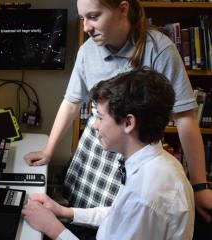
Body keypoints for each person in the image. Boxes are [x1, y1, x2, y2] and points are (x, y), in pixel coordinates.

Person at [24, 0, 212, 222]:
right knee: (83, 218)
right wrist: (48, 150)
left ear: (122, 9)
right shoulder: (87, 51)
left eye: (94, 17)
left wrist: (199, 186)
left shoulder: (160, 49)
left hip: (136, 151)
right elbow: (71, 103)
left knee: (125, 223)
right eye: (83, 18)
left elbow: (184, 119)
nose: (86, 27)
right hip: (96, 149)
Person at [22, 68, 195, 240]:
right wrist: (64, 211)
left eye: (100, 117)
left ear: (128, 122)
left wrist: (53, 228)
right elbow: (118, 215)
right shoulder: (160, 164)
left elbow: (131, 211)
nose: (95, 125)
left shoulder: (145, 195)